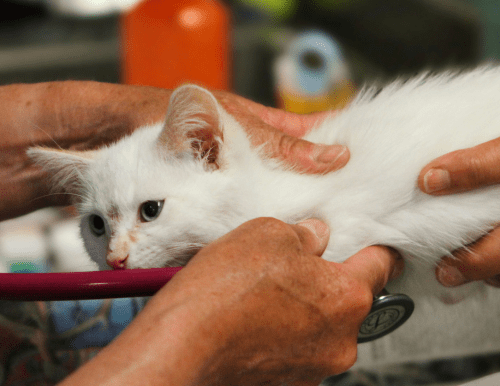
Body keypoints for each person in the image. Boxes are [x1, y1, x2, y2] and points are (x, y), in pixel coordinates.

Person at [0, 80, 498, 385]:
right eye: (97, 225)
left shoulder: (293, 219)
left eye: (150, 210)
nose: (115, 252)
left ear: (209, 150)